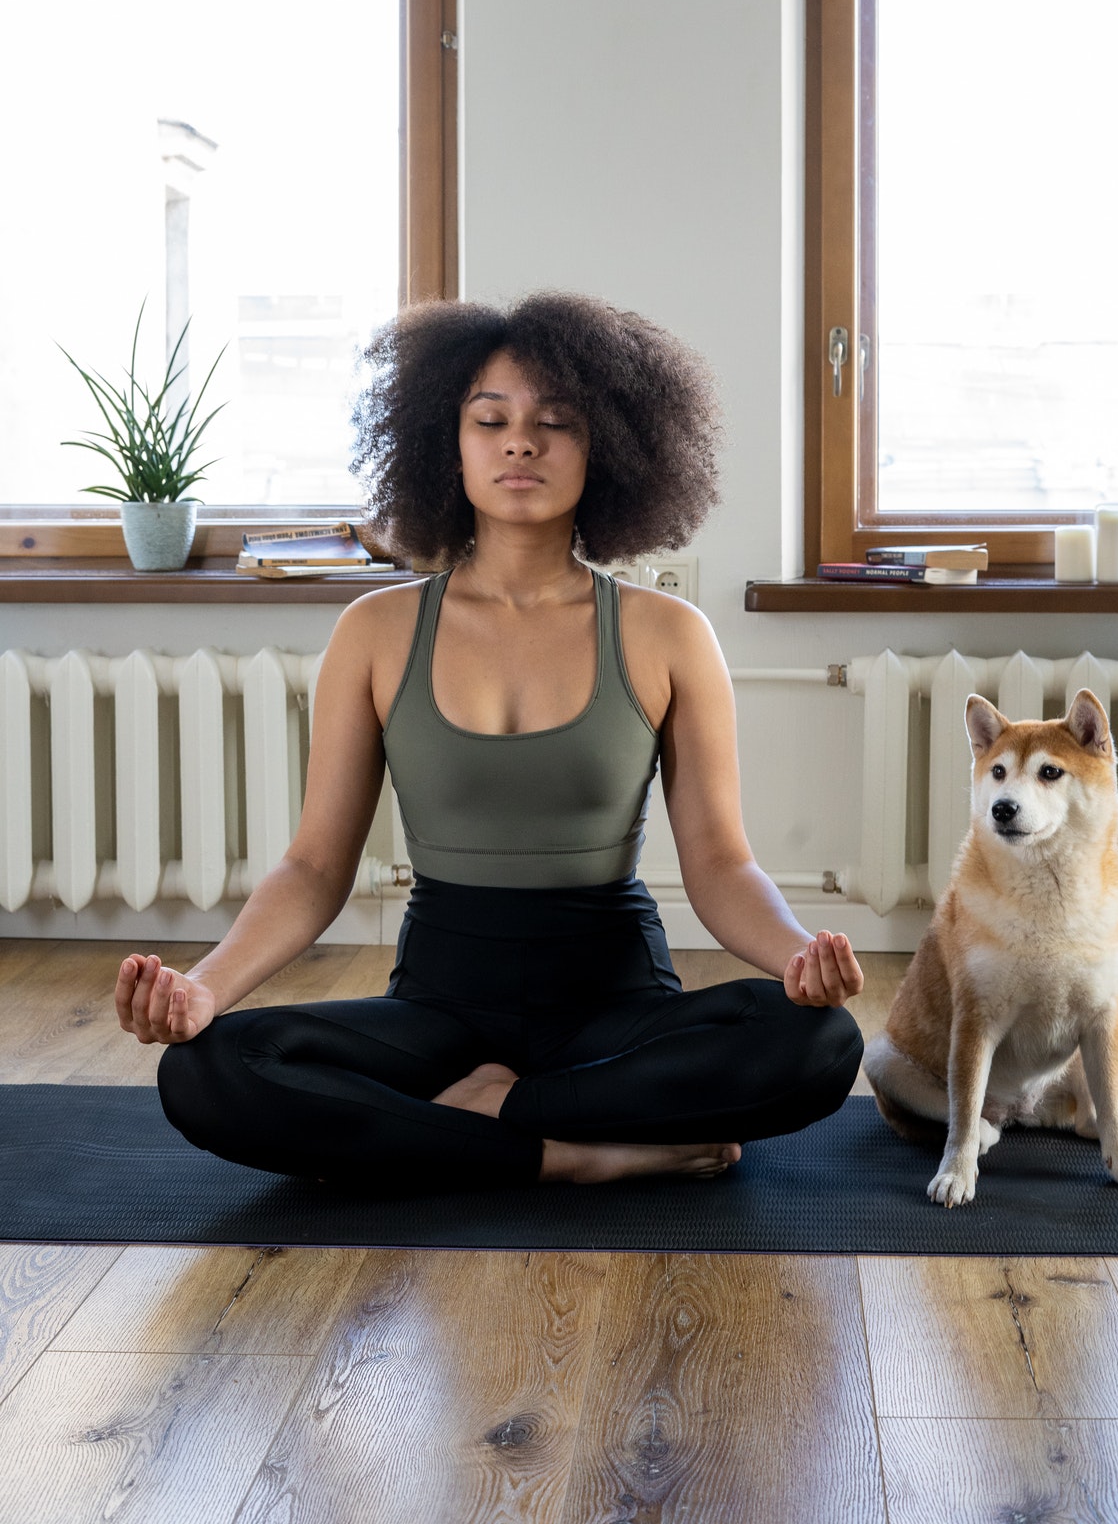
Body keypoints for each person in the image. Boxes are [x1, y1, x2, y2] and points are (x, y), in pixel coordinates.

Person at [117, 292, 865, 1191]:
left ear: (611, 448)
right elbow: (315, 868)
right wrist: (203, 989)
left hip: (614, 1003)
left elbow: (719, 864)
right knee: (208, 1069)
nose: (521, 443)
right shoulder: (377, 630)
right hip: (439, 1005)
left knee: (820, 1043)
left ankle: (482, 1120)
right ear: (448, 443)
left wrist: (794, 960)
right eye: (491, 420)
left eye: (556, 423)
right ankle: (570, 1151)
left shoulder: (668, 634)